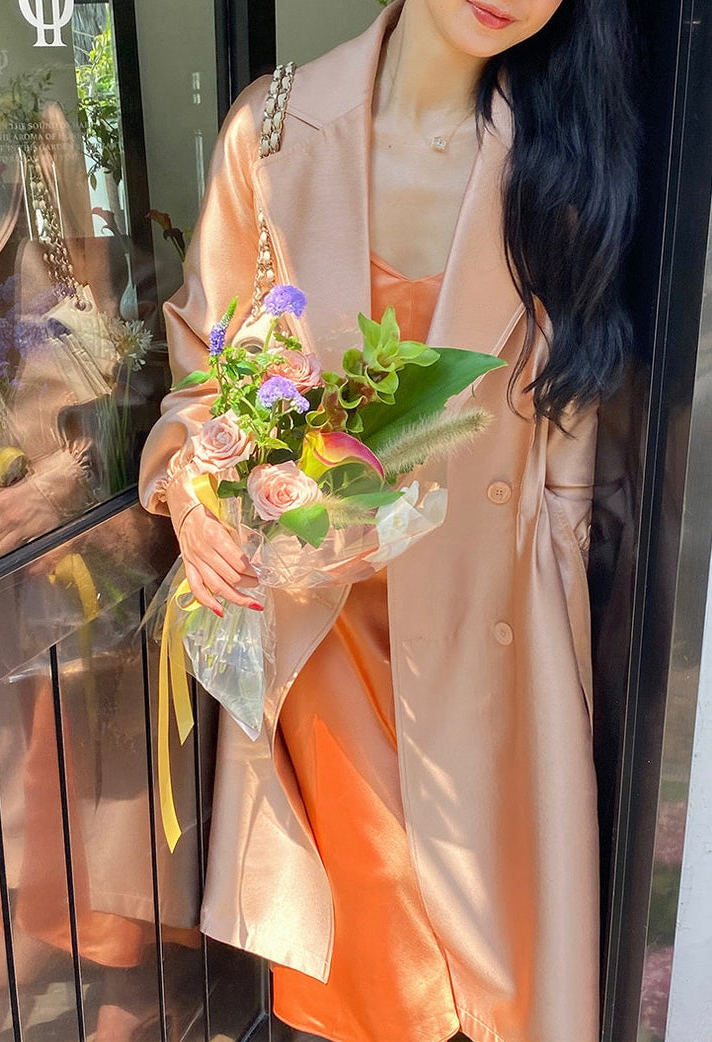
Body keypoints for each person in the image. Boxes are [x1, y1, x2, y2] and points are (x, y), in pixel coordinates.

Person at [139, 1, 639, 1040]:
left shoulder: (565, 167)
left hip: (493, 645)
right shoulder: (273, 131)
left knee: (492, 986)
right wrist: (192, 490)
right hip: (328, 648)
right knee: (377, 988)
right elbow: (204, 375)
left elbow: (566, 489)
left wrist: (563, 693)